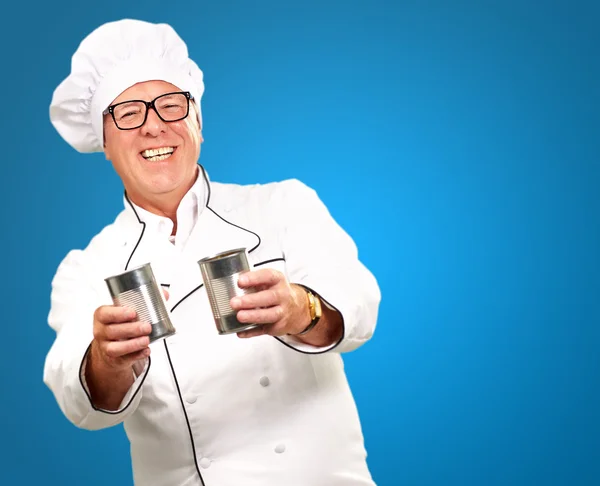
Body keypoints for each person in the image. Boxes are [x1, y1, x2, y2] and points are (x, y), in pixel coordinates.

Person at [43, 18, 381, 486]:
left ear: (197, 120)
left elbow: (359, 305)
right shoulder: (87, 269)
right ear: (103, 140)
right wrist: (106, 359)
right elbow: (78, 401)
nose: (153, 126)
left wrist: (300, 308)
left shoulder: (283, 205)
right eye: (128, 113)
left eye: (170, 105)